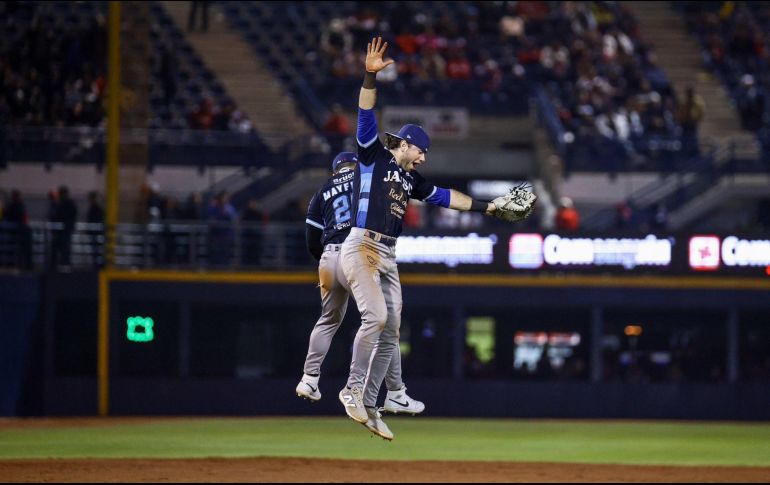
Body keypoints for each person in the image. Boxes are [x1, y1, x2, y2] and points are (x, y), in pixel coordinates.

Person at [337, 37, 532, 438]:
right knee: (375, 317)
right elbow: (364, 111)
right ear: (406, 144)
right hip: (362, 245)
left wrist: (489, 207)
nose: (425, 157)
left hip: (388, 254)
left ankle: (385, 397)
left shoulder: (411, 178)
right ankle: (352, 389)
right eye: (421, 151)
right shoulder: (372, 155)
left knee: (392, 328)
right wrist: (371, 74)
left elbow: (447, 197)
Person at [296, 152, 424, 441]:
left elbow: (310, 239)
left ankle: (309, 379)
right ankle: (392, 390)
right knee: (383, 321)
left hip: (328, 257)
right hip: (359, 253)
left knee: (328, 320)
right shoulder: (366, 181)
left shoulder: (322, 191)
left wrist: (326, 260)